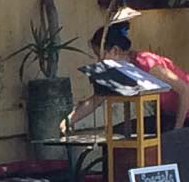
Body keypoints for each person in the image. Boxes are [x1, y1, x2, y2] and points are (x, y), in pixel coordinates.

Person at [61, 23, 189, 135]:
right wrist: (70, 120)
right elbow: (97, 99)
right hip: (170, 115)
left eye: (100, 56)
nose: (99, 61)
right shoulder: (116, 73)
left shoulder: (146, 63)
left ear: (115, 51)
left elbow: (184, 90)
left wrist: (177, 129)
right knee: (117, 132)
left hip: (182, 116)